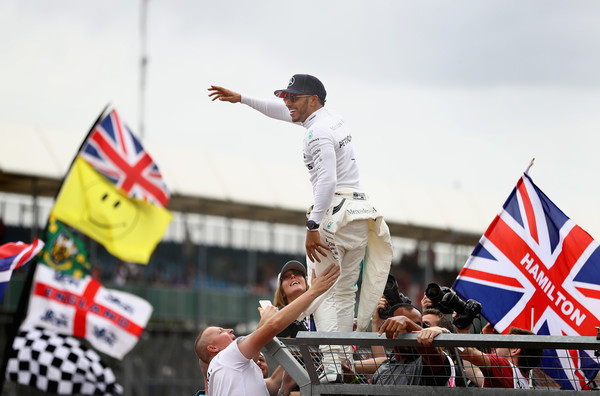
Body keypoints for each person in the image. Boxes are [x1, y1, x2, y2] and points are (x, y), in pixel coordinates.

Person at [209, 75, 394, 377]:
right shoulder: (331, 119)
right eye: (286, 97)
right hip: (360, 214)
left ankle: (333, 369)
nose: (288, 103)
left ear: (313, 100)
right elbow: (280, 111)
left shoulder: (316, 133)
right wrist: (242, 98)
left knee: (320, 292)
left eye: (293, 98)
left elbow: (328, 180)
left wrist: (313, 225)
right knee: (345, 291)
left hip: (335, 212)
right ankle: (343, 362)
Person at [194, 263, 339, 396]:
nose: (230, 330)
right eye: (221, 331)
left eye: (298, 274)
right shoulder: (225, 357)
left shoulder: (226, 375)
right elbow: (273, 326)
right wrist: (314, 291)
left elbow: (274, 383)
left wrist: (285, 386)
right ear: (212, 348)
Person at [353, 299, 451, 386]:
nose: (410, 330)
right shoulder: (383, 369)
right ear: (389, 328)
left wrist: (408, 323)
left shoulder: (426, 363)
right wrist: (351, 381)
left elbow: (433, 353)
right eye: (403, 325)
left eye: (416, 325)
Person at [453, 323, 543, 389]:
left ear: (515, 350)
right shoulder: (522, 382)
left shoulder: (505, 365)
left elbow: (470, 354)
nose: (498, 344)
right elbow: (475, 374)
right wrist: (463, 331)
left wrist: (446, 337)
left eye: (505, 340)